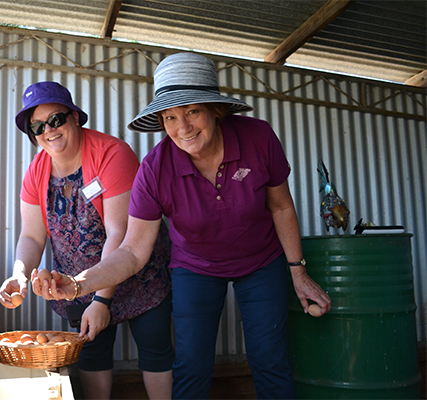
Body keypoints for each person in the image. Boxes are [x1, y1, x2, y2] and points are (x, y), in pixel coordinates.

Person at [39, 53, 332, 399]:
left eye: (193, 111)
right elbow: (133, 251)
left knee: (270, 357)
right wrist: (76, 284)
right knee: (191, 363)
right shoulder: (155, 169)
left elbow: (281, 206)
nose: (183, 127)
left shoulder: (258, 138)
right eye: (171, 117)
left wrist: (298, 272)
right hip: (196, 267)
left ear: (214, 109)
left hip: (260, 261)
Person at [0, 81, 174, 400]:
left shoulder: (112, 154)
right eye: (37, 126)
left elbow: (120, 235)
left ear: (75, 118)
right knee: (91, 356)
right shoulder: (36, 172)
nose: (48, 130)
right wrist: (20, 275)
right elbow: (32, 235)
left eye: (56, 119)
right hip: (75, 282)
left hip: (138, 277)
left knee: (155, 349)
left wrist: (102, 300)